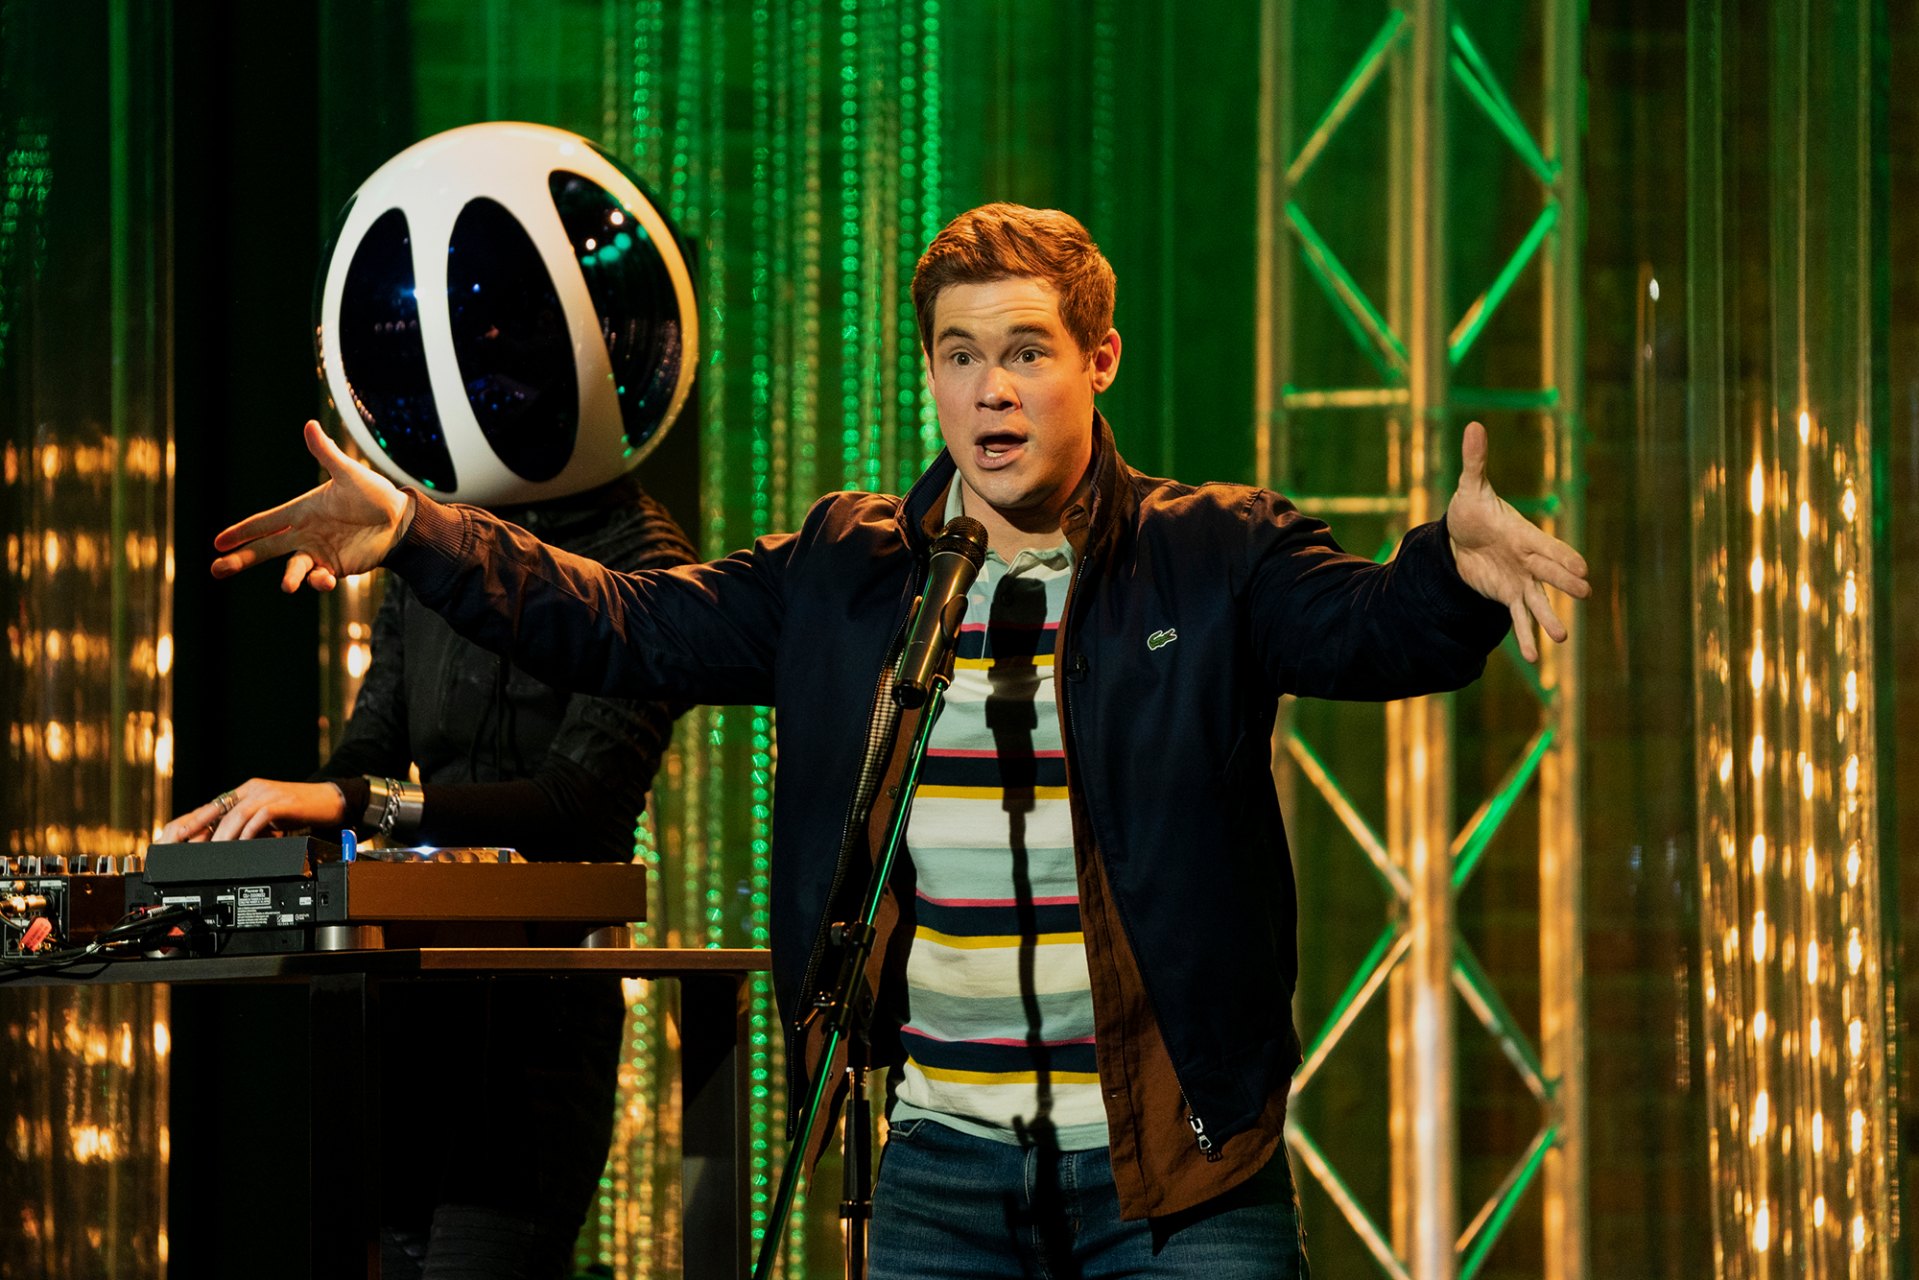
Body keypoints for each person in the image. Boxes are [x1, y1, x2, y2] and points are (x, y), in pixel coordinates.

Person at [206, 203, 1589, 1278]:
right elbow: (625, 625)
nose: (991, 392)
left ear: (1099, 360)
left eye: (1026, 351)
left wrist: (1446, 570)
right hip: (938, 1175)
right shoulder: (850, 572)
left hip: (1180, 1177)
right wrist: (416, 532)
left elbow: (1367, 632)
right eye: (960, 356)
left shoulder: (1210, 554)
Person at [162, 470, 695, 1280]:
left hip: (539, 1023)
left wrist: (355, 800)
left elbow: (577, 801)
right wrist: (260, 828)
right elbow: (370, 747)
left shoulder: (646, 554)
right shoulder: (433, 542)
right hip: (409, 1017)